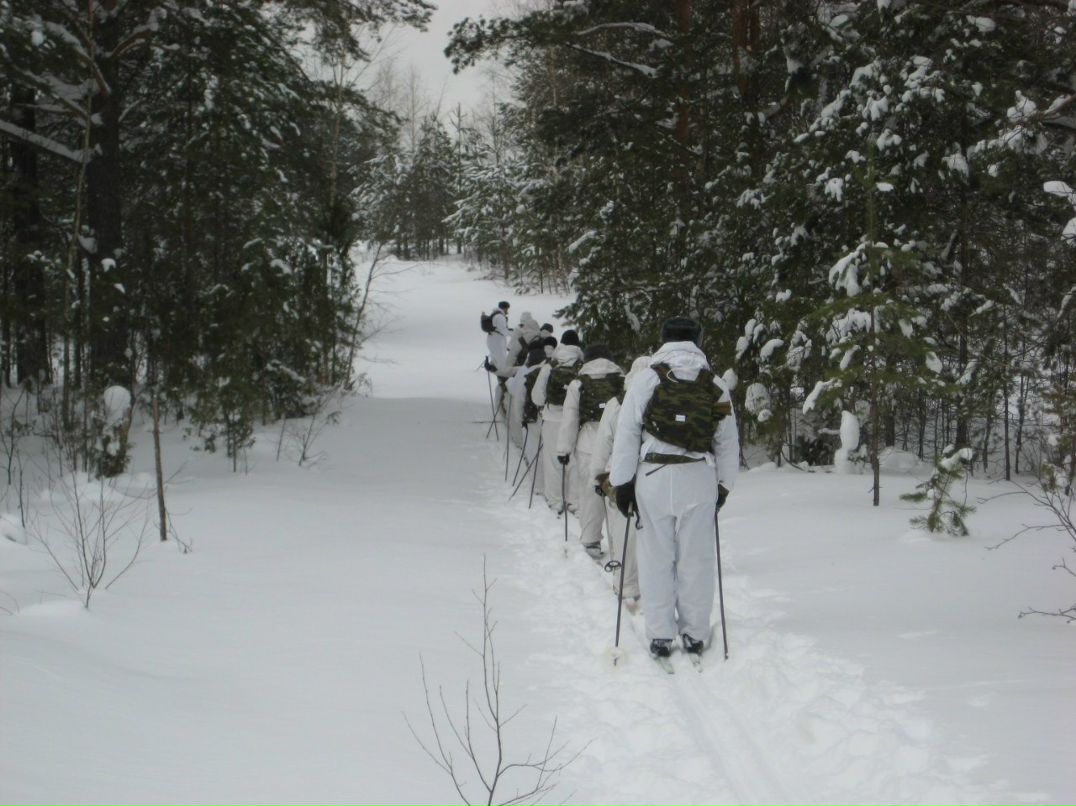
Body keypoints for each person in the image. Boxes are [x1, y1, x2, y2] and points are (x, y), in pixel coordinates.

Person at [608, 317, 738, 660]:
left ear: (663, 340)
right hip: (698, 477)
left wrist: (622, 484)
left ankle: (660, 635)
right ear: (697, 340)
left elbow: (627, 432)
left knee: (655, 557)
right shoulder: (714, 383)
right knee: (696, 558)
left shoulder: (648, 378)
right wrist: (724, 486)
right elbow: (727, 441)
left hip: (653, 476)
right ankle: (695, 633)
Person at [590, 355, 651, 604]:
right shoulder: (659, 400)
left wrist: (597, 477)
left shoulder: (617, 402)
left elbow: (603, 442)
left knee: (623, 529)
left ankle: (625, 585)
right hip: (654, 474)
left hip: (620, 474)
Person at [556, 344, 624, 558]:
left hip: (588, 441)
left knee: (590, 493)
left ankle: (591, 540)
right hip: (616, 442)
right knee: (615, 493)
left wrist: (564, 449)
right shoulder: (621, 380)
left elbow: (570, 418)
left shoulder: (579, 383)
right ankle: (619, 544)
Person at [531, 329, 583, 512]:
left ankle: (555, 501)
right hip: (575, 419)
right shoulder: (582, 366)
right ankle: (574, 501)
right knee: (574, 461)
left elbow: (537, 396)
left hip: (552, 418)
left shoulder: (550, 365)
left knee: (553, 460)